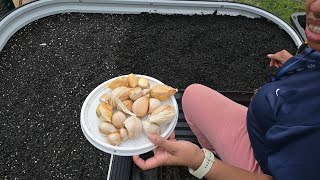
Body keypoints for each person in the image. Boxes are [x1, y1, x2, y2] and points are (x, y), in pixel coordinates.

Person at [133, 0, 320, 179]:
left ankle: (218, 161)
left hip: (266, 166)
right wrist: (298, 67)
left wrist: (201, 162)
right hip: (264, 132)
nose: (316, 6)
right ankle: (217, 151)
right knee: (193, 95)